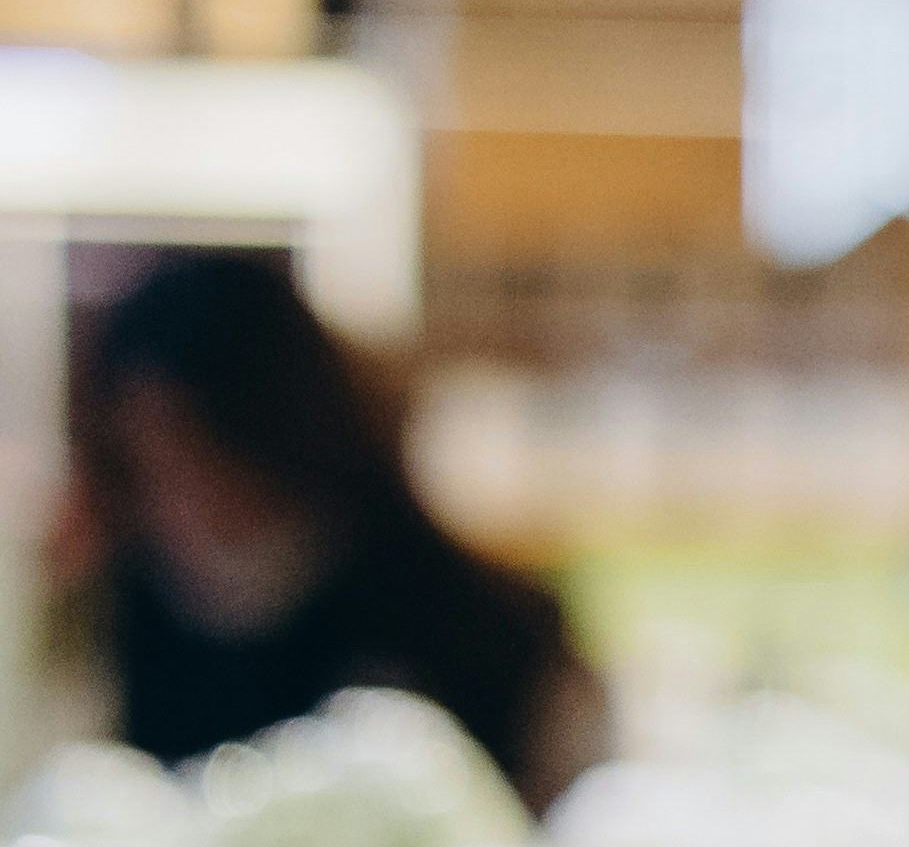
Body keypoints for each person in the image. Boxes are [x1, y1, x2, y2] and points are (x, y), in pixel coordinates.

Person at [67, 250, 597, 799]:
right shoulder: (116, 616)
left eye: (204, 455)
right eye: (146, 467)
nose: (183, 500)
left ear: (279, 434)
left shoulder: (455, 617)